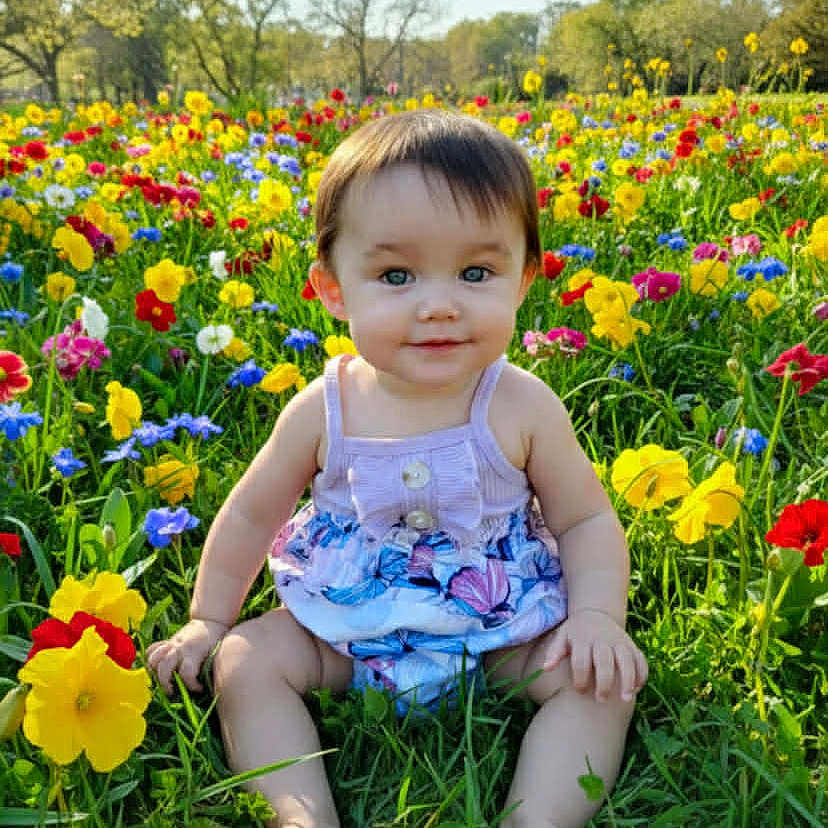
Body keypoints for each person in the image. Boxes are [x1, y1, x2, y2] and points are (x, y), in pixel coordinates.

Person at [147, 109, 648, 828]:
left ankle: (536, 819)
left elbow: (586, 519)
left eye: (476, 272)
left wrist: (599, 617)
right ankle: (299, 816)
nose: (438, 305)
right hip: (344, 633)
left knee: (600, 683)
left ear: (525, 280)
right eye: (396, 274)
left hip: (504, 631)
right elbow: (253, 514)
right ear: (333, 289)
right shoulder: (323, 410)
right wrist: (206, 620)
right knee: (244, 662)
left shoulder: (521, 405)